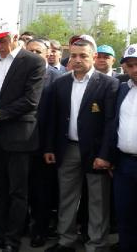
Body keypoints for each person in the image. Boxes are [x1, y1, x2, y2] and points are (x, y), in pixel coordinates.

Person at [0, 22, 45, 252]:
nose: (0, 45)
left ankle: (12, 241)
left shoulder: (33, 62)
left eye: (3, 40)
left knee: (17, 191)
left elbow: (31, 100)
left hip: (18, 136)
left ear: (15, 37)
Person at [44, 35, 118, 252]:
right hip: (67, 149)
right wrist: (49, 147)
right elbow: (54, 119)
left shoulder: (108, 84)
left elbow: (111, 124)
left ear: (93, 57)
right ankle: (66, 240)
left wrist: (105, 154)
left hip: (95, 153)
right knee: (66, 197)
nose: (77, 60)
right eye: (74, 55)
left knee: (98, 200)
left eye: (83, 56)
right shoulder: (61, 83)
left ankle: (96, 244)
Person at [24, 38, 62, 248]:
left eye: (38, 51)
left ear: (47, 54)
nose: (33, 55)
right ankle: (21, 225)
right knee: (22, 188)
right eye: (30, 51)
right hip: (19, 143)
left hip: (44, 145)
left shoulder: (58, 79)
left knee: (42, 191)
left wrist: (50, 146)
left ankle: (40, 230)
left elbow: (57, 116)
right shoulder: (19, 74)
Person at [110, 44, 137, 252]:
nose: (135, 69)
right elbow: (113, 124)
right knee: (124, 213)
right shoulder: (122, 89)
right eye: (130, 65)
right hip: (124, 163)